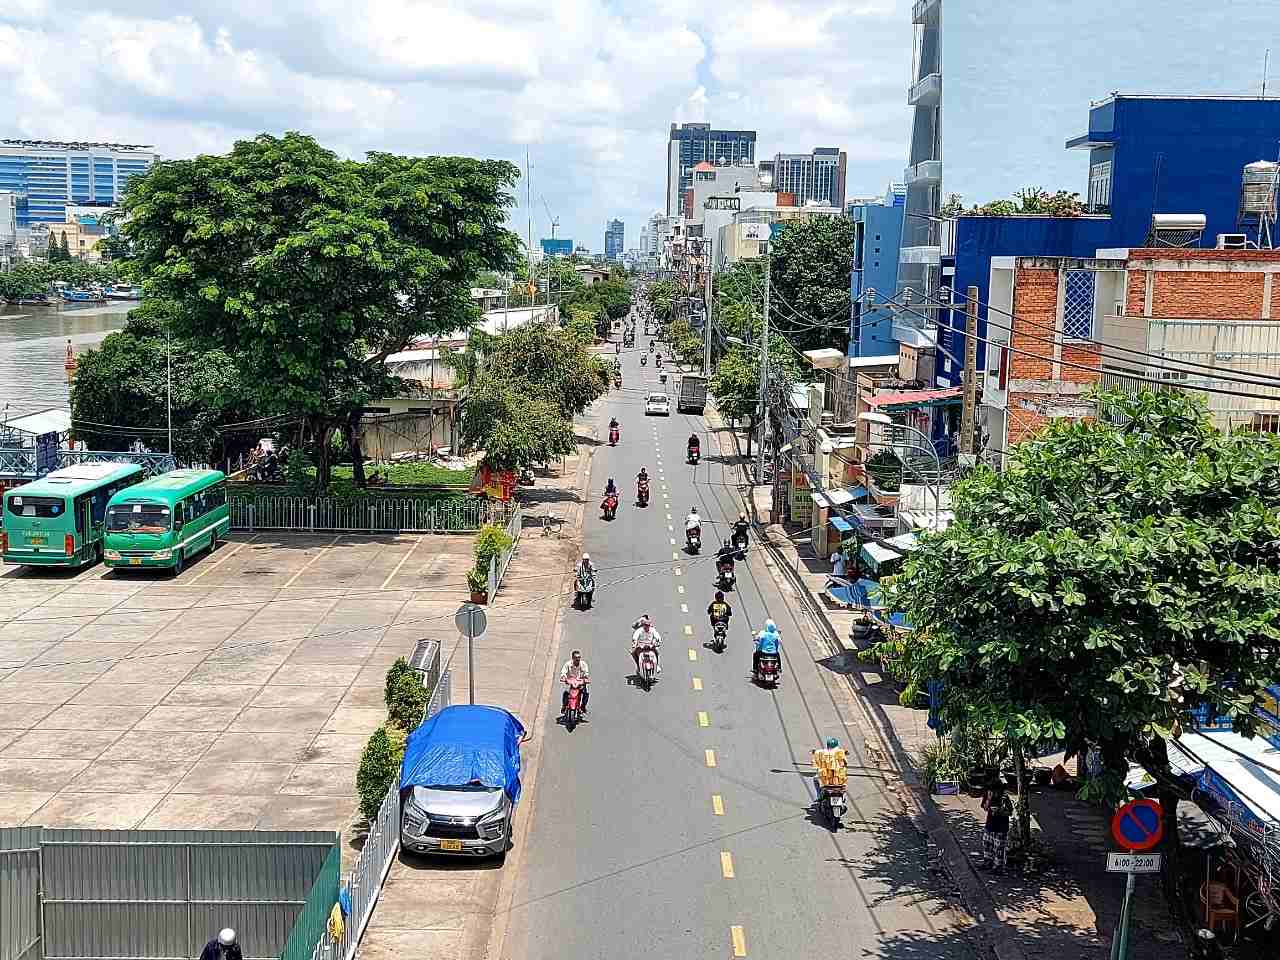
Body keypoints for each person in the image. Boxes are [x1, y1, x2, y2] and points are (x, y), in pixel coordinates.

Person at [980, 781, 1012, 874]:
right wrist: (989, 799)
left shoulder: (1004, 798)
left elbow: (1009, 812)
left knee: (999, 848)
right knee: (987, 844)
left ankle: (998, 867)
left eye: (995, 791)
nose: (994, 793)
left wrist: (1000, 811)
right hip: (990, 824)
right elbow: (985, 808)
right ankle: (988, 862)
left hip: (1001, 826)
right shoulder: (988, 795)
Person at [560, 649, 591, 716]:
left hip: (580, 683)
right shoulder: (568, 664)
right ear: (572, 658)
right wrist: (563, 677)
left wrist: (585, 679)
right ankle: (564, 706)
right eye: (576, 658)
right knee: (566, 693)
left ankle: (583, 707)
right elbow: (563, 672)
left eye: (579, 657)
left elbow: (586, 673)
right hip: (570, 682)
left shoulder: (583, 664)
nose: (578, 659)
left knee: (585, 693)